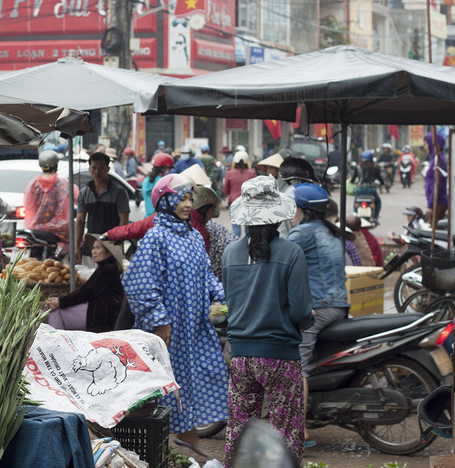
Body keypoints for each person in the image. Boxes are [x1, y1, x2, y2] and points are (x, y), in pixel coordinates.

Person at [123, 173, 228, 458]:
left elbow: (206, 276)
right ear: (164, 201)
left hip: (193, 325)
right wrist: (160, 321)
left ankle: (186, 435)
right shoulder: (156, 237)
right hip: (166, 330)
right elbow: (139, 282)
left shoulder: (194, 237)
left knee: (198, 376)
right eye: (181, 197)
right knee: (161, 387)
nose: (187, 203)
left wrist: (224, 298)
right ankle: (149, 449)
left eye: (189, 198)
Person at [222, 175, 314, 467]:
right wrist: (307, 321)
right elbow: (301, 312)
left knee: (239, 431)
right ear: (277, 217)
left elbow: (232, 302)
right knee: (285, 433)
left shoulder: (229, 253)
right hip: (281, 359)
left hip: (240, 358)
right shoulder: (291, 253)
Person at [287, 183, 349, 446]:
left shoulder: (301, 234)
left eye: (293, 208)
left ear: (303, 210)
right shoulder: (333, 232)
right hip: (340, 306)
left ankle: (299, 431)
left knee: (295, 365)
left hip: (319, 309)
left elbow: (278, 263)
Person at [45, 234, 124, 333]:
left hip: (102, 316)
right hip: (97, 311)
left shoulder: (108, 270)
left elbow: (85, 292)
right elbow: (86, 291)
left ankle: (57, 342)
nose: (93, 251)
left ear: (108, 253)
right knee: (51, 305)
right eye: (93, 248)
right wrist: (60, 301)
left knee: (54, 310)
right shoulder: (106, 268)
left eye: (97, 248)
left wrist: (60, 302)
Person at [75, 152, 130, 260]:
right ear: (89, 169)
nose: (97, 171)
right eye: (94, 167)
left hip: (111, 246)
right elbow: (80, 221)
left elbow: (124, 221)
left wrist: (118, 243)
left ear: (108, 169)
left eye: (101, 168)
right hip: (91, 245)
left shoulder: (119, 192)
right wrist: (76, 246)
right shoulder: (84, 192)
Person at [24, 150, 78, 248]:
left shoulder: (33, 184)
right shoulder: (65, 184)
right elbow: (78, 200)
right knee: (78, 239)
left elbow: (28, 205)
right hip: (60, 229)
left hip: (36, 227)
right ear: (56, 165)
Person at [223, 151, 256, 238]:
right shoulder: (252, 173)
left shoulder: (229, 173)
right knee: (248, 232)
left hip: (234, 204)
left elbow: (225, 191)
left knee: (236, 232)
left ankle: (237, 250)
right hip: (248, 204)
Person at [350, 150, 384, 223]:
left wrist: (352, 181)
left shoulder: (358, 167)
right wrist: (382, 183)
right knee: (378, 202)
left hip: (359, 190)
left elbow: (352, 180)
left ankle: (356, 216)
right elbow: (380, 179)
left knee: (356, 203)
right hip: (371, 191)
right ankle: (375, 218)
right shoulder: (375, 167)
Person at [425, 132, 448, 227]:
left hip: (438, 203)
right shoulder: (434, 159)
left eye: (427, 143)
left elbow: (437, 185)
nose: (425, 146)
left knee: (436, 230)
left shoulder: (439, 161)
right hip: (436, 202)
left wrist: (430, 205)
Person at [141, 153, 174, 217]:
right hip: (159, 219)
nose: (169, 171)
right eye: (169, 168)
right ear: (164, 168)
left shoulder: (145, 180)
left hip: (147, 218)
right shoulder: (163, 182)